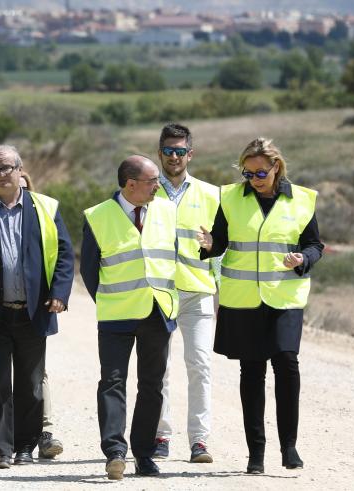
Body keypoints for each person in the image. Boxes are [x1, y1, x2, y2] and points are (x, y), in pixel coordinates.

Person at [197, 137, 323, 474]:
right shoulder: (230, 198)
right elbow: (219, 242)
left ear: (276, 167)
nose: (254, 179)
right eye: (248, 173)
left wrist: (303, 258)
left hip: (284, 298)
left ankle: (290, 447)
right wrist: (209, 246)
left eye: (260, 172)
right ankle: (256, 453)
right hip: (243, 299)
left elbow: (315, 245)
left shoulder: (303, 200)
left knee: (287, 363)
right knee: (251, 372)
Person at [0, 145, 73, 469]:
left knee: (31, 385)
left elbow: (64, 255)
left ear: (20, 170)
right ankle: (0, 450)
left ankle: (25, 447)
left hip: (33, 311)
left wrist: (60, 294)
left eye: (6, 168)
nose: (0, 174)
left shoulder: (46, 208)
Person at [80, 155, 178, 481]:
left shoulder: (166, 211)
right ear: (130, 184)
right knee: (112, 383)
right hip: (116, 315)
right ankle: (115, 452)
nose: (158, 186)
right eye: (152, 181)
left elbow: (172, 256)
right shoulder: (98, 216)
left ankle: (145, 455)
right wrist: (110, 300)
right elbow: (89, 271)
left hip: (157, 311)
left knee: (152, 386)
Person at [152, 124, 220, 464]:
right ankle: (161, 435)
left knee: (200, 365)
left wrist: (214, 250)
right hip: (159, 292)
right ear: (159, 153)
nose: (174, 157)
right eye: (169, 151)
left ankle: (200, 441)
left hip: (197, 291)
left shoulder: (211, 194)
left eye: (180, 151)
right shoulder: (146, 193)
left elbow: (223, 247)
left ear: (190, 154)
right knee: (159, 369)